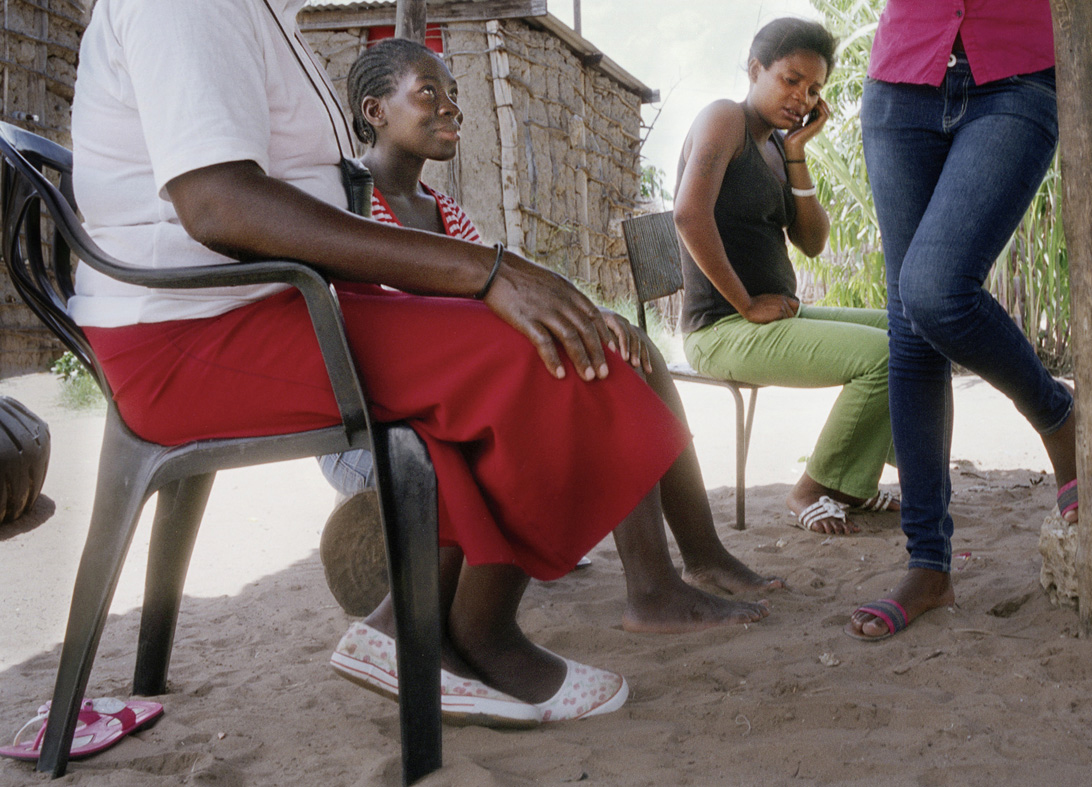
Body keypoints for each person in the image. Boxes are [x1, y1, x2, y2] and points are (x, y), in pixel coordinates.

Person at [69, 0, 700, 727]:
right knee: (549, 353)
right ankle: (460, 635)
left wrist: (485, 277)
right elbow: (218, 205)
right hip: (194, 334)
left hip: (269, 307)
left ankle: (413, 628)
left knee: (542, 341)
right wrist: (485, 271)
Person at [318, 38, 779, 642]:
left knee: (633, 350)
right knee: (596, 367)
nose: (451, 108)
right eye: (429, 93)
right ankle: (651, 589)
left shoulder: (444, 212)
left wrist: (585, 313)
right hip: (379, 419)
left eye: (455, 96)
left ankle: (701, 551)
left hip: (459, 390)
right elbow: (385, 329)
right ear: (375, 112)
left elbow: (501, 282)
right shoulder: (349, 203)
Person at [846, 0, 1078, 641]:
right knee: (909, 327)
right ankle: (929, 564)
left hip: (1017, 70)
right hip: (904, 76)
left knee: (935, 290)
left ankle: (1056, 416)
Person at [674, 17, 897, 537]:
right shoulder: (724, 119)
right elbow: (689, 215)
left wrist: (797, 153)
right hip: (722, 330)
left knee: (905, 330)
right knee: (884, 357)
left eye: (814, 89)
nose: (801, 96)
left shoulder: (777, 146)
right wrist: (747, 305)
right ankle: (814, 490)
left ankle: (854, 482)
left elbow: (813, 242)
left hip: (768, 320)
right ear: (756, 69)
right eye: (791, 79)